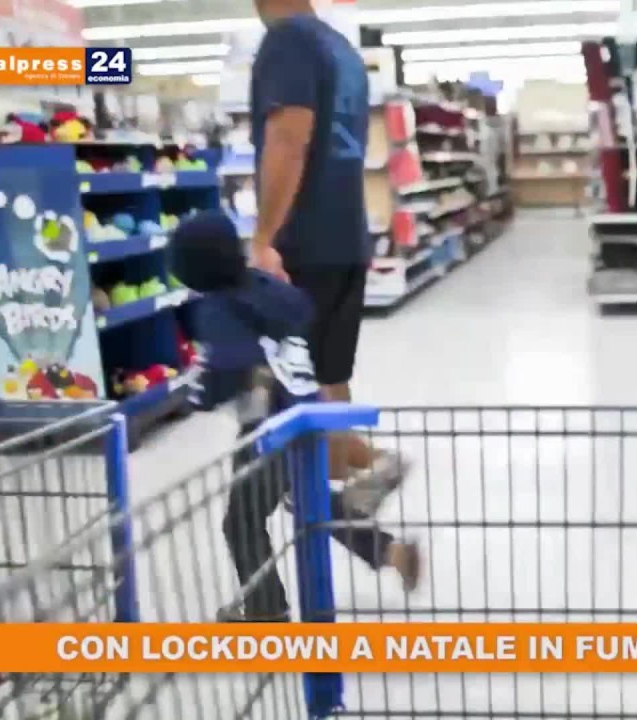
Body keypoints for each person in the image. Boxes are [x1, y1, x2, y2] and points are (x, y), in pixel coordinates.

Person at [170, 211, 421, 623]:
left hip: (267, 429)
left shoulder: (216, 307)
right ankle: (390, 551)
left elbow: (229, 364)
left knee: (242, 523)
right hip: (307, 415)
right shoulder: (264, 287)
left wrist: (199, 396)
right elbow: (301, 311)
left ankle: (266, 610)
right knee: (308, 499)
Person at [249, 0, 403, 516]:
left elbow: (288, 138)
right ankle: (360, 474)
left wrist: (263, 237)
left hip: (302, 241)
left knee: (297, 384)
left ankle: (330, 493)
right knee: (329, 375)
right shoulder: (342, 50)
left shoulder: (287, 40)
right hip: (344, 236)